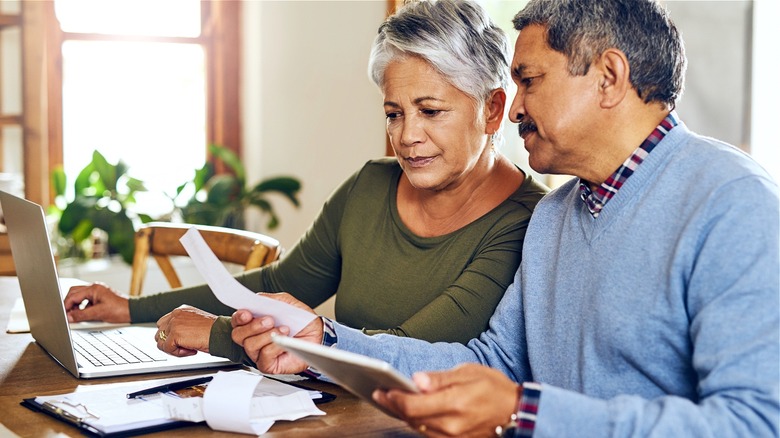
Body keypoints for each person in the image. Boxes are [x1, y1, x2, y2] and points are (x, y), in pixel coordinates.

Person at [228, 0, 780, 436]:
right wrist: (321, 339)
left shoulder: (732, 203)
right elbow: (492, 361)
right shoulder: (557, 216)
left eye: (530, 81)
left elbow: (756, 423)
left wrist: (526, 413)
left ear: (608, 77)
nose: (512, 108)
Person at [63, 0, 549, 364]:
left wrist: (216, 333)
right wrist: (127, 308)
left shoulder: (528, 223)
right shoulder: (371, 186)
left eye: (430, 111)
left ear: (491, 109)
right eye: (394, 113)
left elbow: (408, 353)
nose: (406, 136)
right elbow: (278, 283)